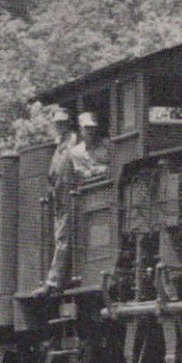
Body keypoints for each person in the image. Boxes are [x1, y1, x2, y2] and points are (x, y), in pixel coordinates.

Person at [31, 107, 107, 297]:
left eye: (92, 128)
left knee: (64, 237)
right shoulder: (72, 151)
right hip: (73, 199)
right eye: (86, 128)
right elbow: (76, 173)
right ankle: (53, 280)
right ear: (81, 129)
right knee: (62, 237)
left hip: (91, 197)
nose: (90, 131)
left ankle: (56, 279)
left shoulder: (102, 145)